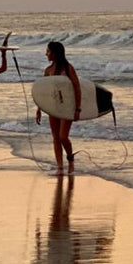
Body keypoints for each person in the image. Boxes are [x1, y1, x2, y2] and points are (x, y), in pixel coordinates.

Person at [35, 41, 81, 173]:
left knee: (62, 137)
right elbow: (43, 92)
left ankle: (70, 159)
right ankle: (60, 166)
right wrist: (39, 109)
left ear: (55, 53)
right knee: (55, 137)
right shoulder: (48, 71)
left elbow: (77, 88)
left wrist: (78, 108)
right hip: (52, 107)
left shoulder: (68, 68)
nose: (46, 54)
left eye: (48, 51)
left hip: (67, 107)